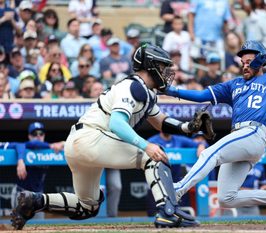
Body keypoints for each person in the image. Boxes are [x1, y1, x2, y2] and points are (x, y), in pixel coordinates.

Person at [11, 44, 201, 230]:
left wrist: (189, 127)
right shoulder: (132, 87)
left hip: (80, 143)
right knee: (155, 155)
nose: (166, 71)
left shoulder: (146, 92)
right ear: (150, 65)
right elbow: (117, 124)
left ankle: (34, 200)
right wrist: (146, 146)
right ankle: (168, 212)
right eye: (161, 66)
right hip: (91, 137)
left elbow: (161, 121)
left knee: (87, 206)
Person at [164, 6, 266, 213]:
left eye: (249, 61)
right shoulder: (233, 84)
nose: (244, 65)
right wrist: (171, 90)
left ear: (260, 60)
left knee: (209, 154)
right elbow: (202, 96)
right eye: (242, 62)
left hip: (253, 133)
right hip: (240, 137)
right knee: (226, 198)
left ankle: (179, 189)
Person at [146, 131, 206, 216]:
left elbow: (200, 143)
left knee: (180, 207)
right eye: (164, 126)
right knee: (154, 208)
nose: (166, 129)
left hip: (176, 178)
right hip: (158, 178)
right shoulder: (153, 140)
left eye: (168, 127)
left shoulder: (178, 139)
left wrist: (201, 146)